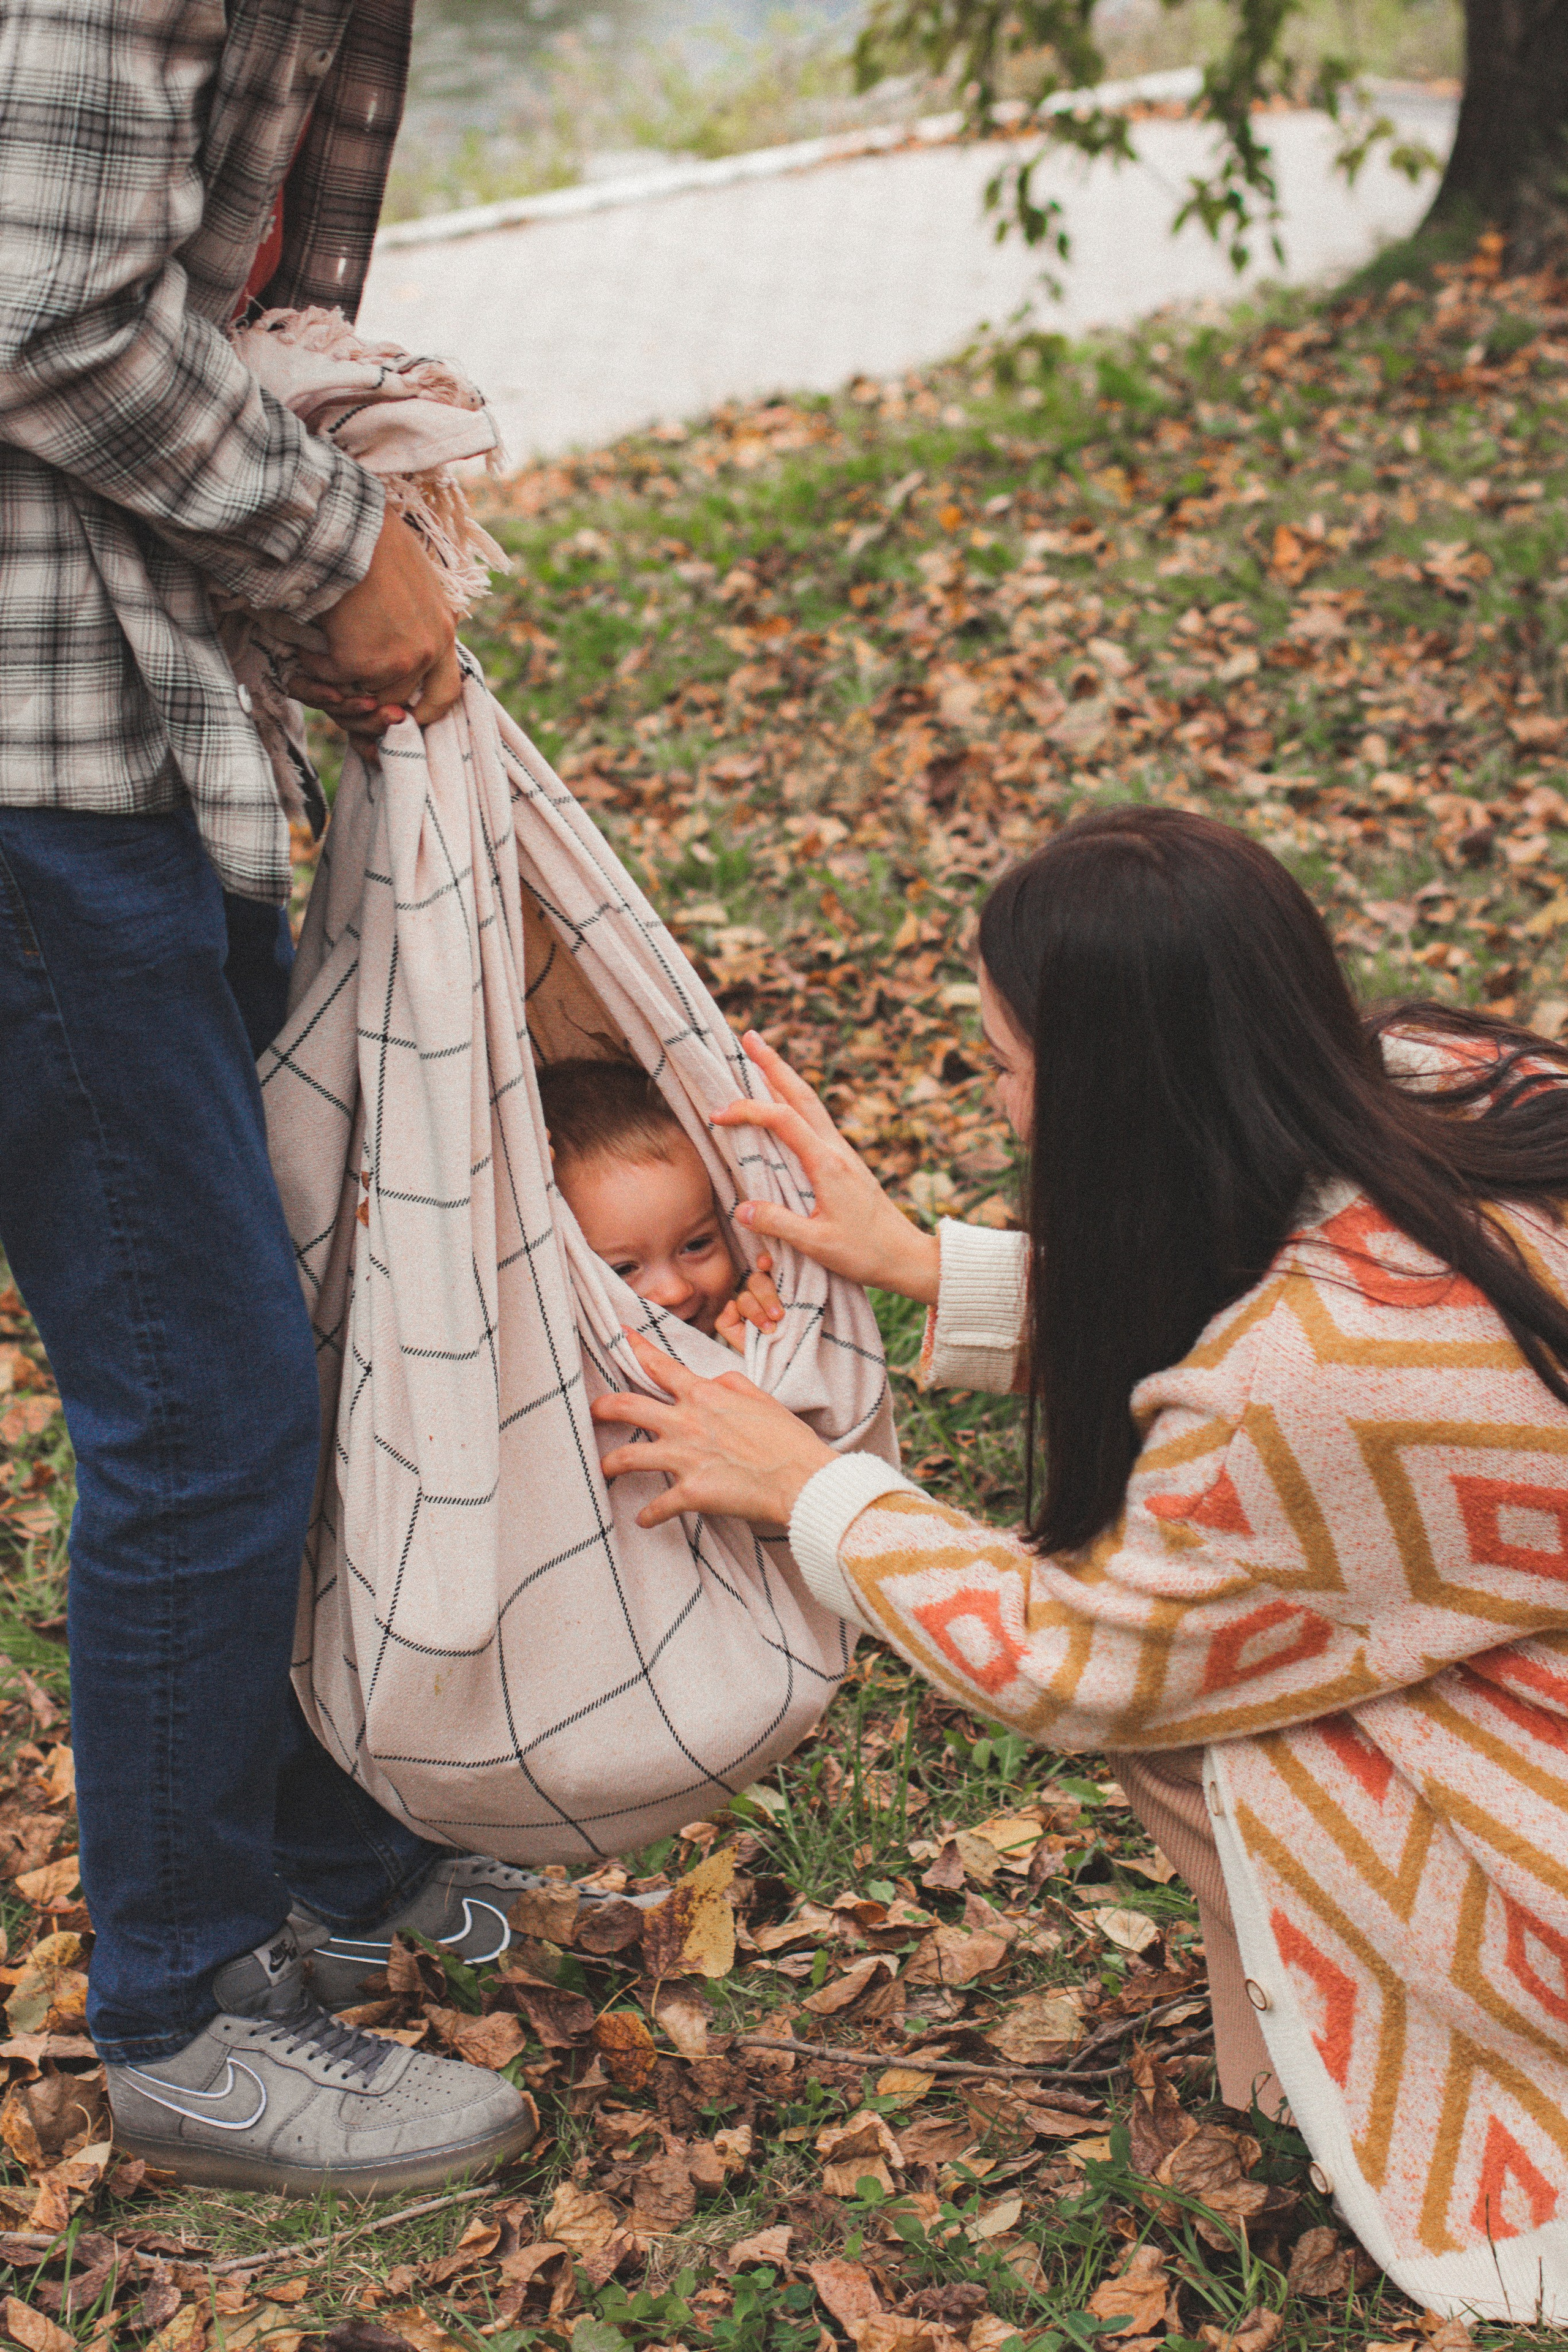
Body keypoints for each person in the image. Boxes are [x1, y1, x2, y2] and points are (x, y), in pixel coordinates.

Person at [591, 804, 1568, 2321]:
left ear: (1111, 1090)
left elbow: (1084, 1659)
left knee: (1205, 1730)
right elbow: (1245, 1295)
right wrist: (933, 1263)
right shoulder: (1454, 1081)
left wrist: (816, 1490)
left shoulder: (1299, 1383)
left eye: (999, 1061)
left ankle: (1399, 2060)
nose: (991, 1094)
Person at [0, 0, 539, 2193]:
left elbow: (222, 288)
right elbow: (42, 301)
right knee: (197, 1383)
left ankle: (318, 1840)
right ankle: (189, 2005)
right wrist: (332, 539)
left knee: (278, 1309)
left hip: (149, 713)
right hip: (33, 767)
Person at [538, 1058, 783, 1348]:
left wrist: (770, 1342)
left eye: (696, 1245)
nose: (675, 1292)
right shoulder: (550, 1365)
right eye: (623, 1270)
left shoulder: (741, 1324)